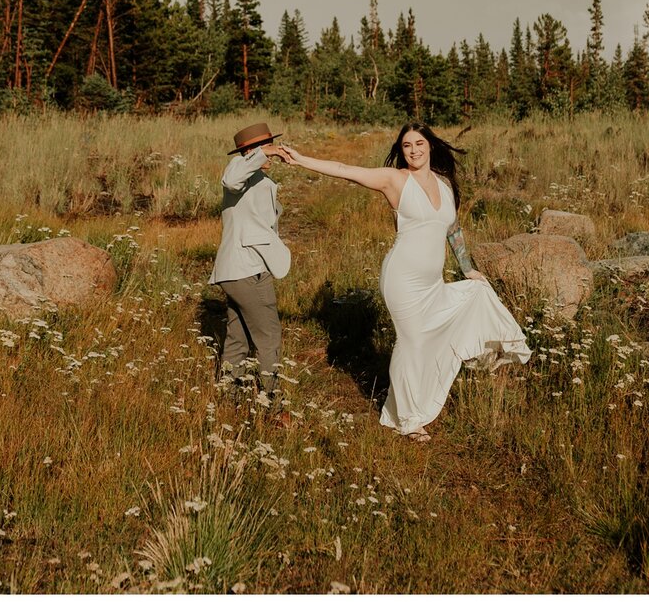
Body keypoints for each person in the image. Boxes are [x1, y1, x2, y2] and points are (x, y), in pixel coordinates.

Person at [267, 124, 531, 439]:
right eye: (407, 146)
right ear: (401, 150)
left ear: (431, 146)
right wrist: (301, 160)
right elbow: (344, 169)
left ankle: (423, 396)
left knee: (469, 301)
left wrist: (467, 268)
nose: (414, 150)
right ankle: (407, 419)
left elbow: (453, 229)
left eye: (419, 143)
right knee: (411, 343)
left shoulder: (444, 184)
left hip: (432, 282)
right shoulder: (395, 180)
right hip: (402, 279)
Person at [214, 122, 294, 412]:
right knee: (269, 335)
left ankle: (228, 398)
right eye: (265, 148)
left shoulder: (259, 179)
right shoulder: (239, 170)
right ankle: (275, 406)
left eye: (270, 147)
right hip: (245, 269)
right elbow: (230, 179)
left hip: (240, 270)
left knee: (239, 336)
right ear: (250, 152)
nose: (270, 155)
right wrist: (261, 153)